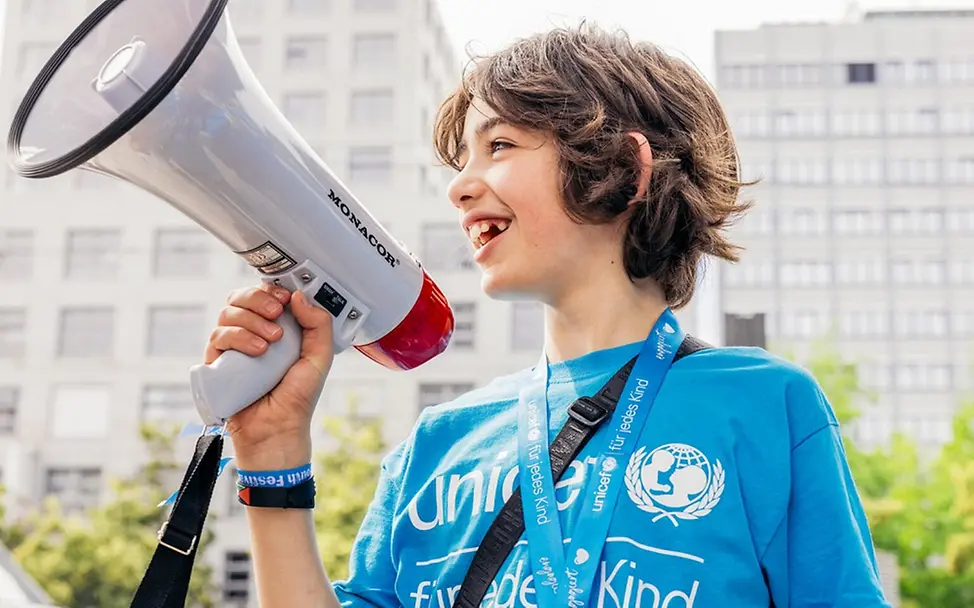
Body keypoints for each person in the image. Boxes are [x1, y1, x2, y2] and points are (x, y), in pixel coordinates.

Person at [206, 24, 891, 608]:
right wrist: (272, 459)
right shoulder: (438, 443)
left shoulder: (766, 405)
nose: (458, 186)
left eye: (499, 145)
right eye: (464, 157)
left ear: (622, 169)